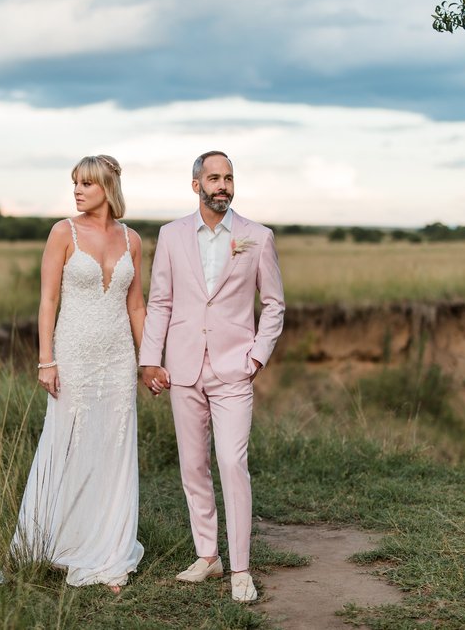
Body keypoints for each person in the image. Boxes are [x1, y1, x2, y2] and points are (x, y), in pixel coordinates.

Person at [139, 150, 285, 603]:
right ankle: (208, 555)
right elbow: (160, 301)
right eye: (214, 178)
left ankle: (240, 567)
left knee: (231, 463)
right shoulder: (171, 235)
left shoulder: (256, 237)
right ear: (196, 184)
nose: (222, 185)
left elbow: (274, 305)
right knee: (192, 467)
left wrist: (256, 357)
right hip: (182, 369)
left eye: (229, 178)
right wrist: (149, 359)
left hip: (233, 370)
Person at [11, 155, 145, 593]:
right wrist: (45, 360)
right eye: (75, 183)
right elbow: (47, 301)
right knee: (66, 444)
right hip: (74, 357)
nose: (78, 191)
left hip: (119, 358)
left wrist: (148, 360)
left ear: (108, 188)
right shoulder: (61, 232)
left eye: (86, 183)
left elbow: (136, 306)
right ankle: (57, 540)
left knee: (114, 447)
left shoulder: (133, 239)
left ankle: (108, 548)